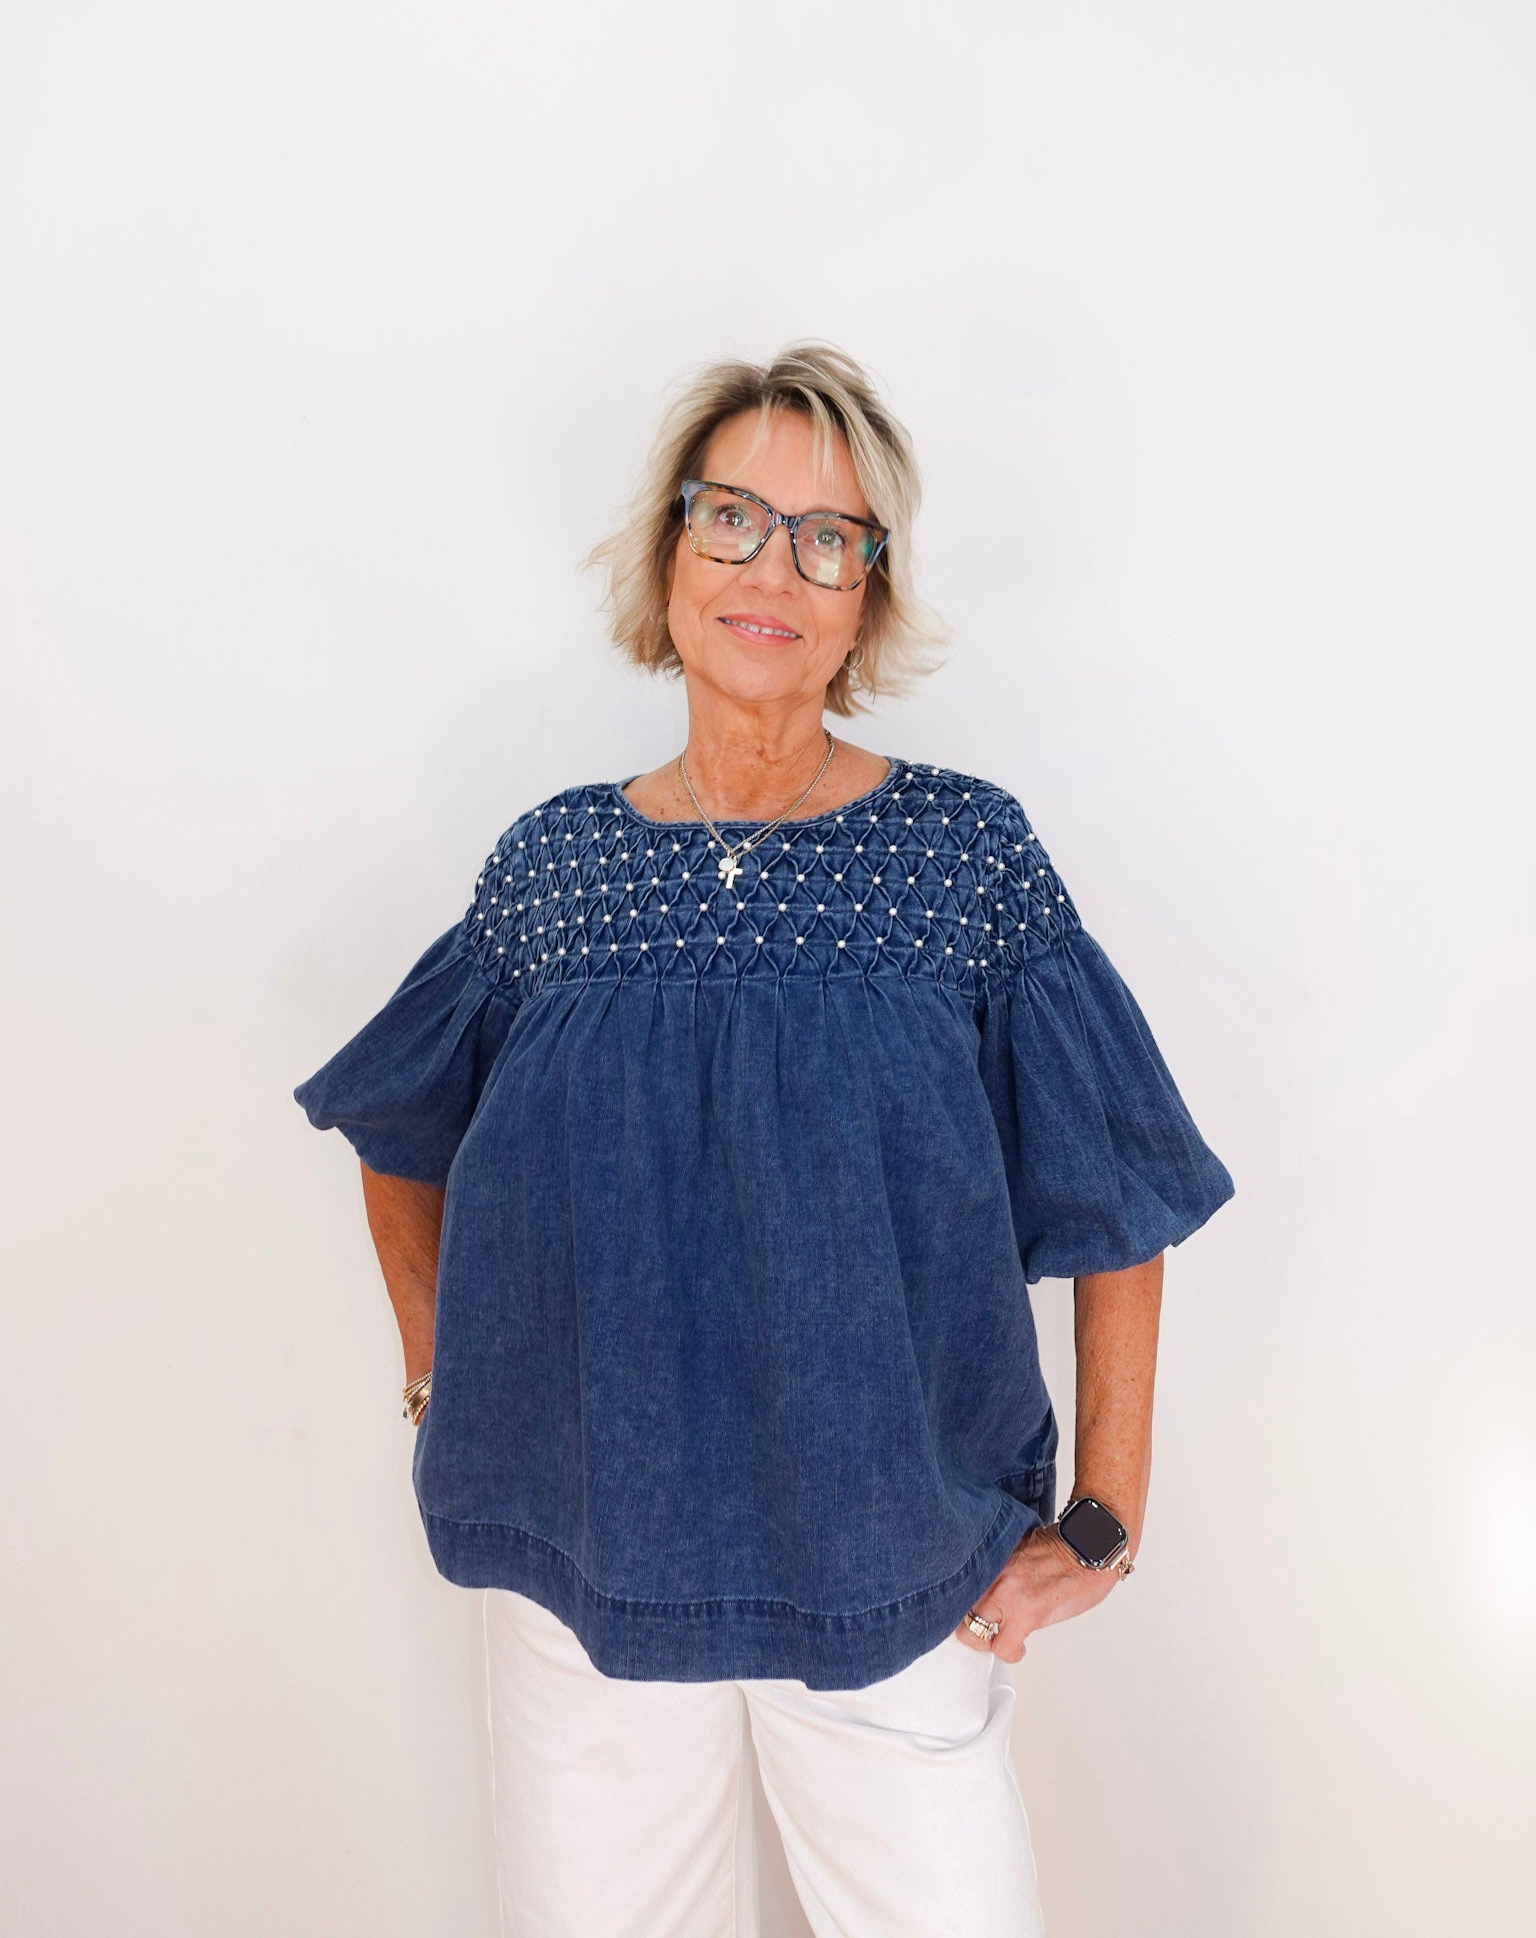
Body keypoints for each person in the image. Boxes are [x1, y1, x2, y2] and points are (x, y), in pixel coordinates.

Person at [293, 340, 1235, 1936]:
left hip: (905, 1569)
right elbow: (398, 1123)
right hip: (580, 1574)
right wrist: (445, 1378)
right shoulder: (555, 872)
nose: (772, 569)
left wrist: (1107, 1518)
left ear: (867, 594)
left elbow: (1115, 1182)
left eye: (828, 537)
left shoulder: (965, 859)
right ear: (670, 549)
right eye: (733, 516)